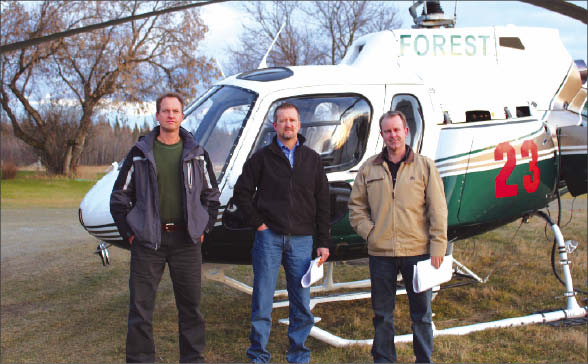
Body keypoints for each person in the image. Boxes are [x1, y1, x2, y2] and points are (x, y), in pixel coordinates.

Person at [110, 92, 220, 363]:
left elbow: (212, 197)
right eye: (165, 111)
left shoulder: (197, 154)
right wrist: (131, 233)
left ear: (182, 116)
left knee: (191, 309)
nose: (171, 115)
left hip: (186, 242)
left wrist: (202, 228)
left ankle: (193, 359)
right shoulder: (139, 153)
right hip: (149, 243)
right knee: (140, 309)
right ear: (157, 116)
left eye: (175, 111)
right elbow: (119, 198)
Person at [233, 102, 330, 363]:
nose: (288, 124)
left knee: (301, 301)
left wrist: (323, 242)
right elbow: (241, 193)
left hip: (302, 240)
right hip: (269, 239)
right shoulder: (261, 158)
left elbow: (323, 202)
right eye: (283, 120)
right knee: (262, 299)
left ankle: (298, 355)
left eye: (292, 120)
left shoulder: (312, 160)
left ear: (299, 126)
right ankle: (258, 355)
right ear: (275, 126)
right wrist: (259, 224)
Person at [348, 110, 448, 363]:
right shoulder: (368, 168)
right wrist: (371, 234)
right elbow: (356, 208)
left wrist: (438, 247)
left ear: (406, 131)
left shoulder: (425, 166)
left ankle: (424, 359)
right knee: (382, 315)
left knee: (422, 315)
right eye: (387, 131)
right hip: (381, 255)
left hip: (418, 252)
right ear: (381, 134)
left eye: (397, 130)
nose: (393, 135)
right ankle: (384, 359)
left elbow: (437, 209)